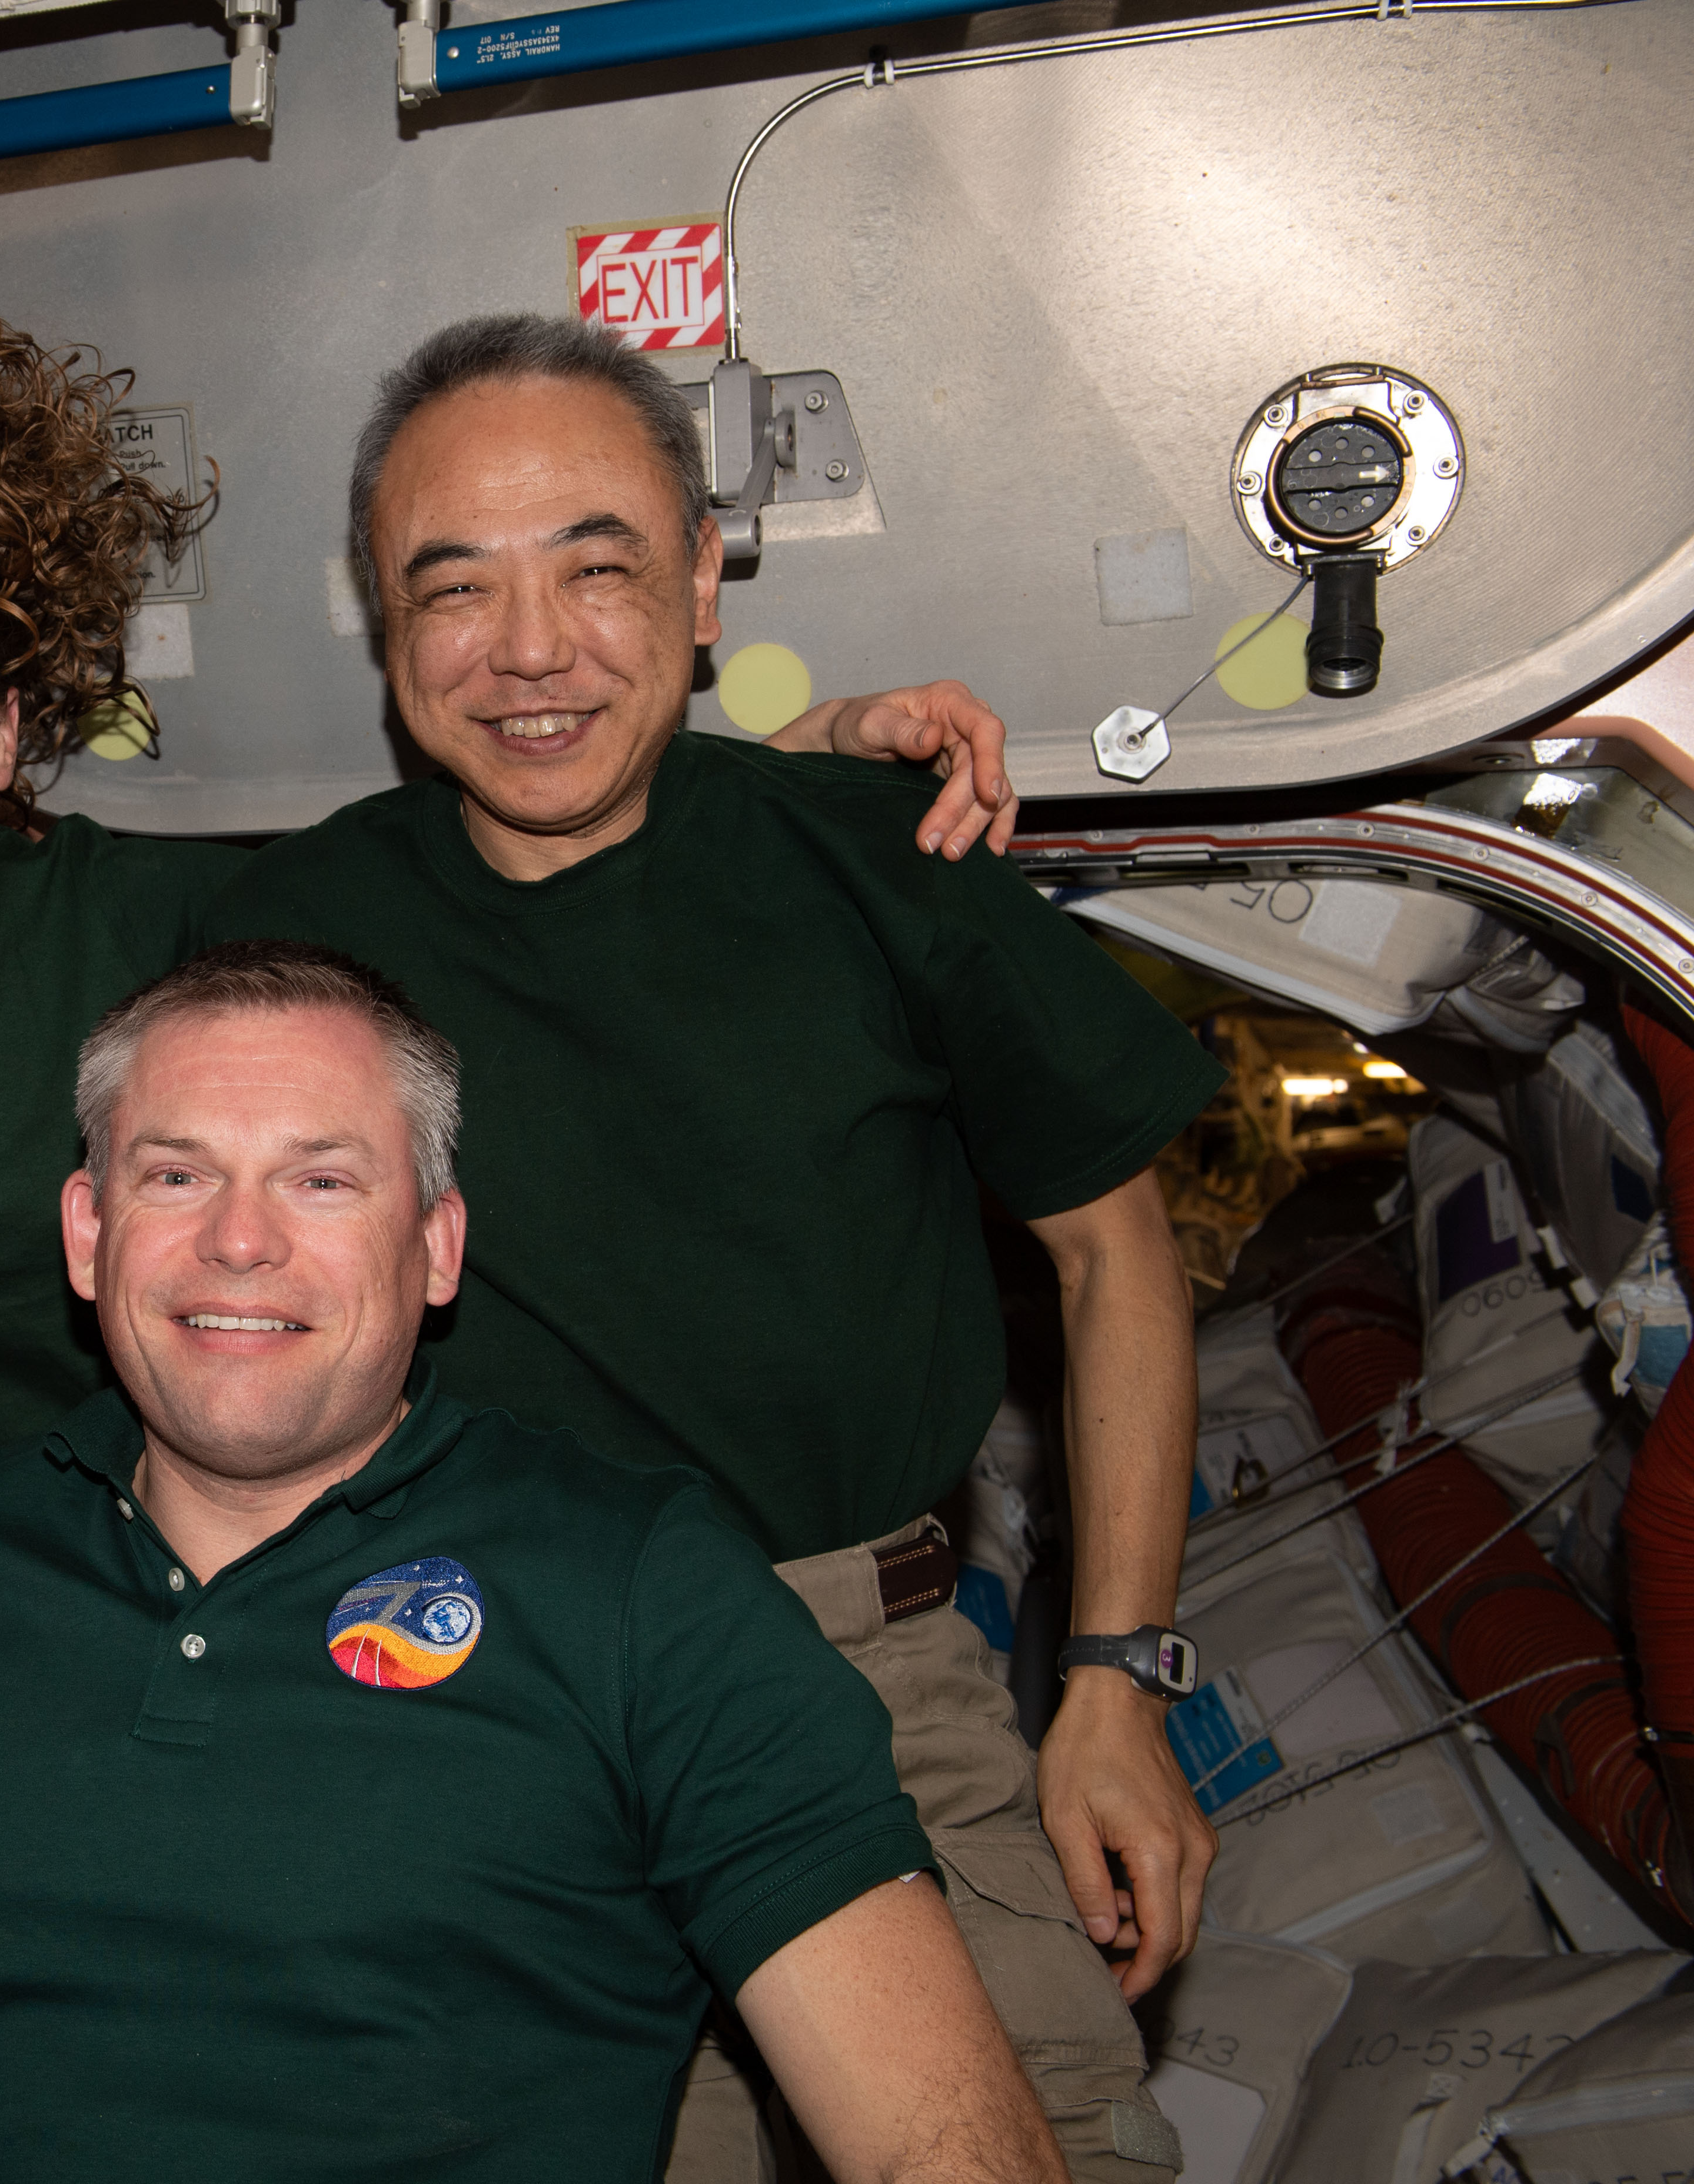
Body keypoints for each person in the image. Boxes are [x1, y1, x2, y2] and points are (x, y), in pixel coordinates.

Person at [0, 284, 1023, 1753]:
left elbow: (516, 873)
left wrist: (782, 769)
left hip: (201, 1687)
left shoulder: (166, 931)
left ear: (10, 731)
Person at [201, 317, 1224, 2182]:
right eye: (459, 590)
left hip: (880, 1693)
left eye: (597, 569)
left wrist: (1112, 1683)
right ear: (384, 621)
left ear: (696, 581)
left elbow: (1114, 1255)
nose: (530, 651)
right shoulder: (291, 944)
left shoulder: (879, 861)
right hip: (490, 1709)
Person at [0, 941, 1066, 2183]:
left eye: (320, 1179)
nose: (240, 1239)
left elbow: (944, 2146)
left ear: (437, 1242)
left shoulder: (642, 1588)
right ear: (89, 1232)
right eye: (177, 1173)